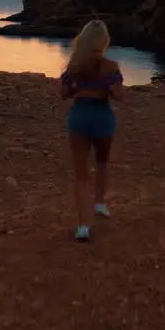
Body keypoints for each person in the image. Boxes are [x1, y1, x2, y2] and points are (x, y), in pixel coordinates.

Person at [59, 19, 124, 242]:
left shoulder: (74, 66)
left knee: (81, 174)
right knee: (103, 162)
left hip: (80, 116)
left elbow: (63, 93)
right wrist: (105, 85)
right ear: (104, 41)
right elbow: (118, 95)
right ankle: (99, 203)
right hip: (102, 116)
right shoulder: (111, 66)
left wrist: (79, 86)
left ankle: (83, 226)